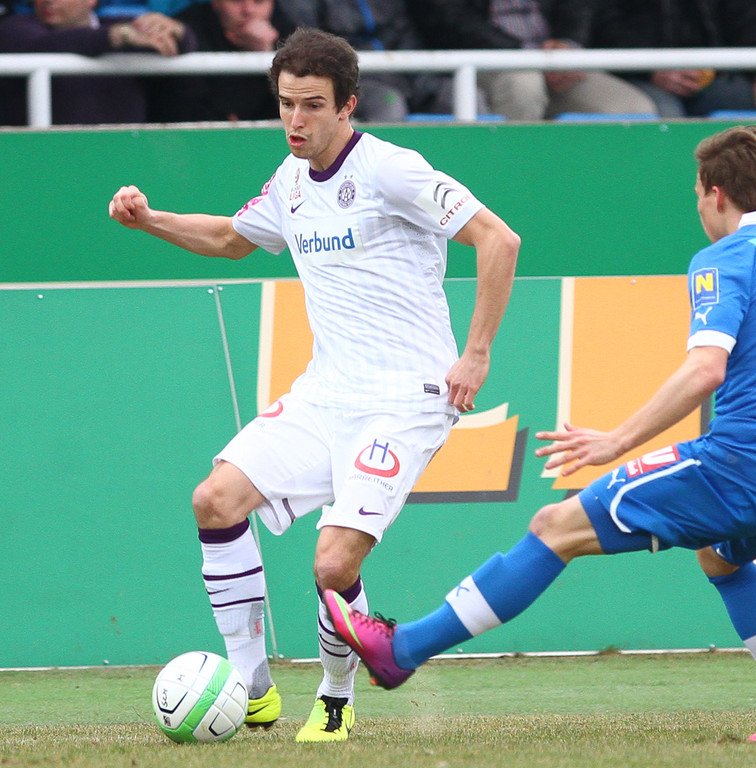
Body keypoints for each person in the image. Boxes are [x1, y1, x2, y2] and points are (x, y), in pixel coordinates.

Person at [326, 125, 756, 743]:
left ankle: (401, 650)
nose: (699, 209)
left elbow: (707, 368)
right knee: (722, 558)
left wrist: (616, 440)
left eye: (697, 195)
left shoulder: (727, 257)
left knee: (554, 527)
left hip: (745, 462)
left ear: (716, 193)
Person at [108, 27, 520, 742]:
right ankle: (253, 689)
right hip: (325, 393)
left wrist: (476, 353)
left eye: (312, 105)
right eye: (286, 104)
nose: (295, 120)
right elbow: (230, 239)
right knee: (215, 499)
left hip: (406, 399)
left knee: (332, 563)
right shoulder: (291, 180)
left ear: (348, 105)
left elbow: (498, 238)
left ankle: (335, 697)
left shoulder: (392, 170)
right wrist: (149, 221)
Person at [405, 0, 657, 121]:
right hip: (486, 60)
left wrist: (568, 44)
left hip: (557, 62)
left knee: (633, 109)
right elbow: (449, 21)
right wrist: (529, 55)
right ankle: (512, 179)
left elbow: (579, 7)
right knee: (523, 86)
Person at [593, 0, 756, 117]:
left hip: (712, 77)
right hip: (635, 76)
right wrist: (650, 70)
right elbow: (603, 26)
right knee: (665, 118)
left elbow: (746, 18)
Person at [0, 0, 193, 125]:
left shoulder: (121, 25)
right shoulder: (15, 28)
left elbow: (186, 44)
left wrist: (175, 31)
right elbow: (47, 44)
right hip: (44, 158)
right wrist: (116, 36)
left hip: (123, 155)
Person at [275, 0, 460, 122]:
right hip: (355, 82)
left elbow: (405, 36)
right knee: (389, 104)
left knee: (459, 95)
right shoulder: (303, 5)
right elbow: (311, 49)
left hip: (409, 77)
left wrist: (419, 76)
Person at [148, 0, 296, 122]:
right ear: (216, 3)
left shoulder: (289, 35)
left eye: (259, 2)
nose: (248, 10)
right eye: (236, 1)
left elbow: (294, 112)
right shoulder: (188, 29)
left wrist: (267, 55)